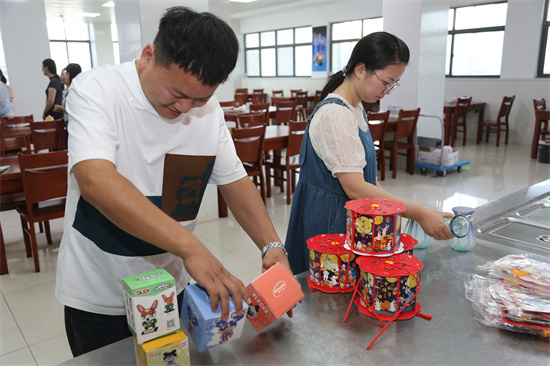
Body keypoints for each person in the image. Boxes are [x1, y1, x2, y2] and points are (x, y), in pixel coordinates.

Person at [55, 6, 295, 357]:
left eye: (200, 98)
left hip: (172, 287)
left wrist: (271, 246)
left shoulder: (208, 113)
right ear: (148, 56)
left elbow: (235, 181)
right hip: (101, 296)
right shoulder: (97, 90)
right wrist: (191, 248)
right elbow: (95, 180)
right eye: (176, 93)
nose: (185, 108)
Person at [285, 32, 455, 275]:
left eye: (393, 84)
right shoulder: (335, 113)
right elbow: (355, 188)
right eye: (386, 82)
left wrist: (415, 212)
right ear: (361, 69)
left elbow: (366, 182)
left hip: (349, 215)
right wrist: (418, 213)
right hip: (330, 221)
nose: (388, 90)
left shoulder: (356, 107)